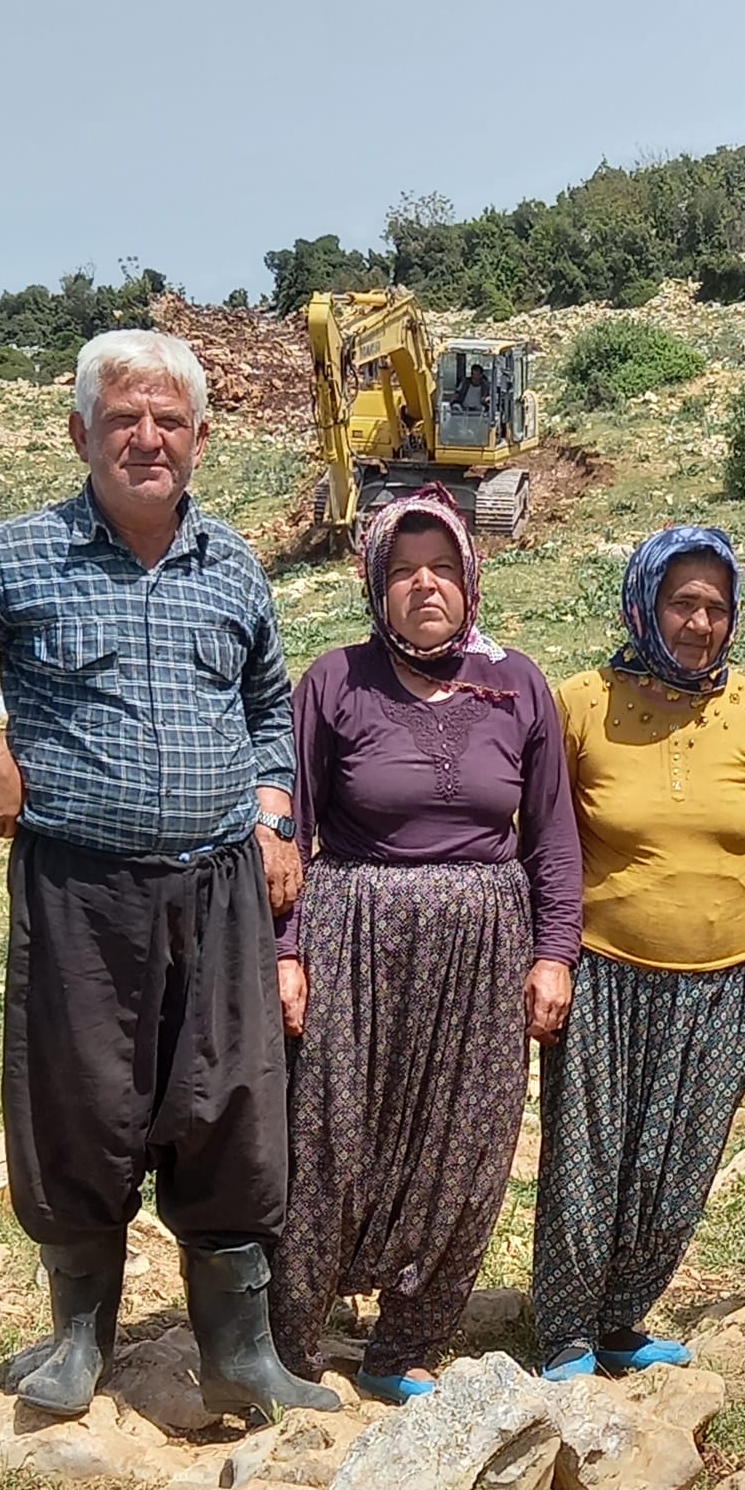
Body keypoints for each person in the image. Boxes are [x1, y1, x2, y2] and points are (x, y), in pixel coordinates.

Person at [0, 329, 335, 1421]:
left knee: (228, 1104)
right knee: (80, 1102)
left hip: (219, 886)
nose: (148, 437)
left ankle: (241, 1354)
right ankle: (77, 1339)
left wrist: (270, 814)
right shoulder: (15, 556)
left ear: (202, 438)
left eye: (169, 420)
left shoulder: (235, 568)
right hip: (81, 888)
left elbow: (268, 707)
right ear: (81, 432)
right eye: (124, 418)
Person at [271, 485, 581, 1403]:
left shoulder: (517, 682)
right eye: (404, 571)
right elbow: (291, 833)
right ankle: (289, 1338)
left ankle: (404, 1344)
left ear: (470, 579)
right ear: (376, 585)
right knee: (328, 1133)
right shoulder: (332, 680)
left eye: (442, 567)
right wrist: (286, 952)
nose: (425, 585)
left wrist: (553, 950)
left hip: (485, 944)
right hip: (354, 935)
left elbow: (552, 834)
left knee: (469, 1138)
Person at [530, 526, 745, 1379]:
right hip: (606, 972)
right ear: (643, 603)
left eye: (716, 608)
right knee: (588, 1159)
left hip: (729, 984)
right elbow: (542, 842)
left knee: (680, 1166)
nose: (699, 623)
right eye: (682, 603)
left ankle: (622, 1320)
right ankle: (566, 1332)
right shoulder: (580, 702)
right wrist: (547, 956)